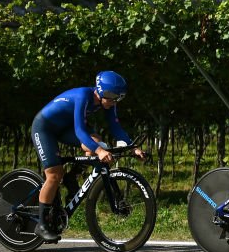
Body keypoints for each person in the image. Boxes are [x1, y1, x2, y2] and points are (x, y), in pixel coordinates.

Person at [30, 71, 146, 241]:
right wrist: (99, 151)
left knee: (97, 141)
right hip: (44, 128)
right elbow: (79, 130)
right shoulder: (83, 96)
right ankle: (41, 224)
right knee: (54, 174)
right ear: (100, 91)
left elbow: (115, 127)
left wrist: (133, 148)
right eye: (113, 97)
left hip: (64, 128)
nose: (115, 101)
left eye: (119, 98)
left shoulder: (107, 101)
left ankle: (72, 176)